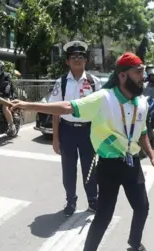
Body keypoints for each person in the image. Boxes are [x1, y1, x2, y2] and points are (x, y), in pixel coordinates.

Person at [10, 52, 154, 251]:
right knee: (103, 215)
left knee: (143, 207)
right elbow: (67, 107)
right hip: (109, 166)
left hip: (132, 163)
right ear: (122, 76)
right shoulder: (104, 98)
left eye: (143, 72)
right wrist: (29, 105)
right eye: (138, 72)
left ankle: (135, 242)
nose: (143, 77)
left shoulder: (142, 103)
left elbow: (143, 133)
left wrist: (153, 157)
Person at [48, 40, 101, 217]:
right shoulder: (61, 82)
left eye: (81, 56)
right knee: (68, 169)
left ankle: (93, 200)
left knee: (90, 169)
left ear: (86, 61)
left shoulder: (95, 82)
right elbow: (55, 111)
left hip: (88, 132)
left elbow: (101, 110)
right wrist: (55, 138)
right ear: (67, 61)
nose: (77, 59)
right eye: (73, 57)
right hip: (67, 131)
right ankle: (71, 200)